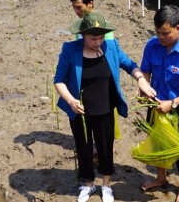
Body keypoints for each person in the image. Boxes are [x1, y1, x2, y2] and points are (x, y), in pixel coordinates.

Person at [54, 12, 156, 202]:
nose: (98, 42)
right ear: (83, 35)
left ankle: (106, 185)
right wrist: (71, 101)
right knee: (83, 148)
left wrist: (141, 80)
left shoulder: (111, 47)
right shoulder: (70, 50)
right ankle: (88, 184)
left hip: (105, 109)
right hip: (80, 112)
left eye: (101, 37)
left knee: (105, 147)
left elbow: (129, 64)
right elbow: (59, 80)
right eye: (93, 38)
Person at [139, 5, 179, 202]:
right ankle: (161, 178)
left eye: (165, 33)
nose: (160, 37)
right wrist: (144, 85)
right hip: (155, 104)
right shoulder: (152, 45)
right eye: (158, 32)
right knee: (158, 142)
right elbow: (145, 71)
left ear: (178, 28)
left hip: (178, 108)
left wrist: (173, 103)